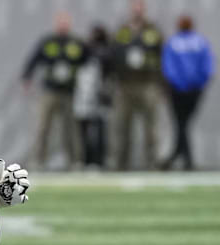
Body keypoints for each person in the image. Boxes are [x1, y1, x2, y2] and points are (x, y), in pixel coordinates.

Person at [22, 11, 88, 169]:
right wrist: (27, 77)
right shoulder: (48, 42)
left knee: (71, 128)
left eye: (65, 22)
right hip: (50, 90)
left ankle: (76, 161)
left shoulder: (76, 43)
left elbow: (89, 58)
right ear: (56, 23)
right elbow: (33, 59)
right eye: (60, 22)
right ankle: (38, 160)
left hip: (68, 91)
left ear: (70, 24)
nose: (63, 25)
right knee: (43, 126)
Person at [111, 0, 163, 170]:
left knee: (151, 127)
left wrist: (151, 67)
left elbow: (162, 54)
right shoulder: (122, 31)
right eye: (135, 6)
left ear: (144, 9)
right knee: (122, 126)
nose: (137, 10)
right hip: (125, 85)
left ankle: (152, 162)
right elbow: (114, 53)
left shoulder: (153, 30)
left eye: (140, 6)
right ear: (131, 9)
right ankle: (120, 163)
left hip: (147, 84)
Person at [160, 15, 214, 171]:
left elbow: (168, 67)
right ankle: (183, 158)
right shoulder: (201, 42)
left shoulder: (173, 43)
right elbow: (207, 67)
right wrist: (197, 84)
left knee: (181, 123)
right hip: (194, 91)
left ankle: (178, 156)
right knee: (183, 124)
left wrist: (178, 83)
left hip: (178, 90)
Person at [74, 25, 113, 169]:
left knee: (100, 129)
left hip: (99, 97)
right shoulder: (84, 55)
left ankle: (100, 159)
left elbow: (109, 77)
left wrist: (106, 94)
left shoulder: (107, 54)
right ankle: (85, 159)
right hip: (84, 97)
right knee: (84, 130)